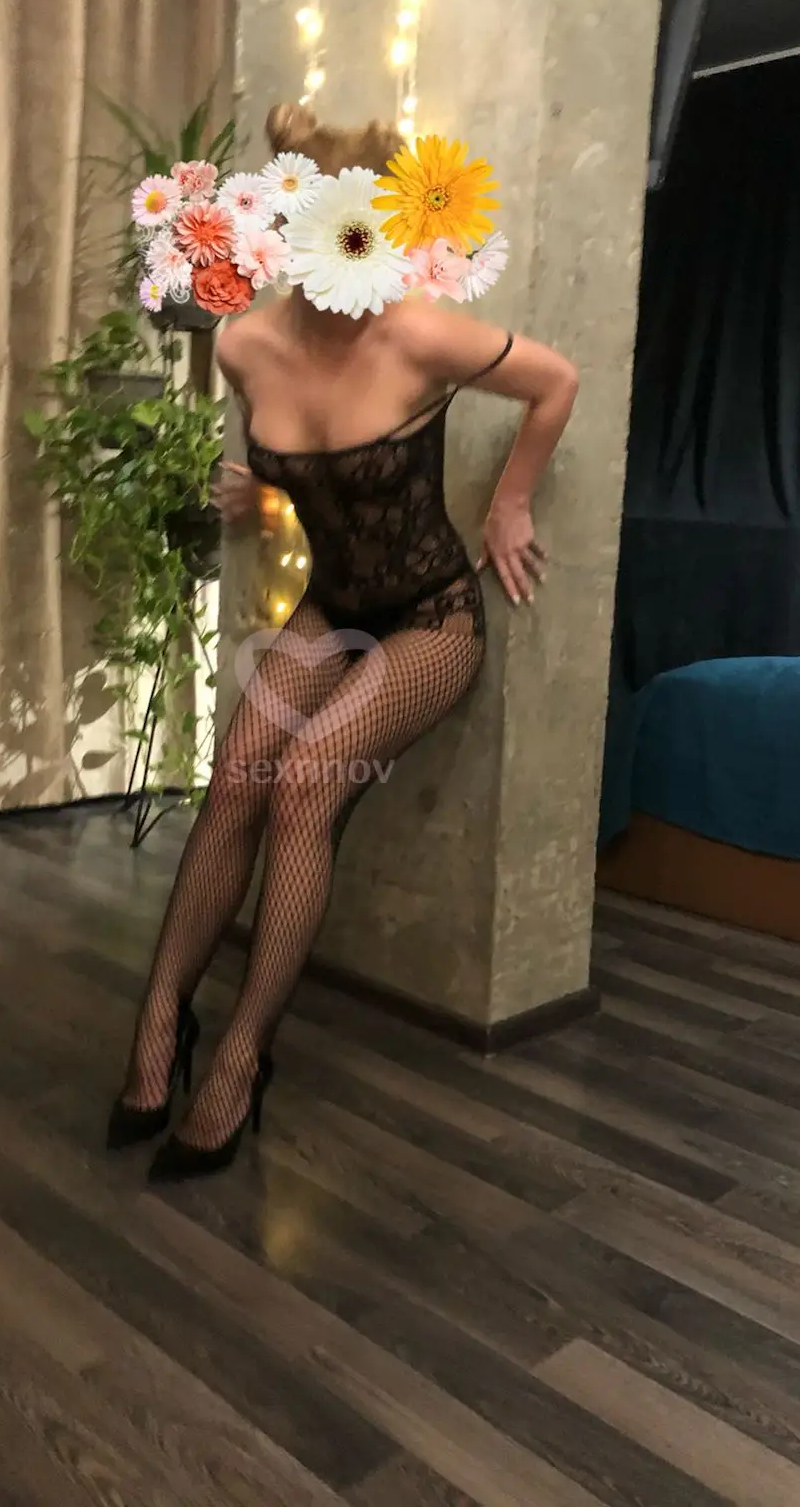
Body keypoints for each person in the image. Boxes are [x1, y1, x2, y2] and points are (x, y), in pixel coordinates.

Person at [108, 104, 579, 1181]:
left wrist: (511, 501)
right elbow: (310, 471)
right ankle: (158, 1025)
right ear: (273, 231)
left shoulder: (417, 332)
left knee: (304, 783)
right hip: (331, 605)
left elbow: (556, 381)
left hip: (431, 616)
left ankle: (242, 1057)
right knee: (234, 780)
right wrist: (258, 493)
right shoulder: (243, 346)